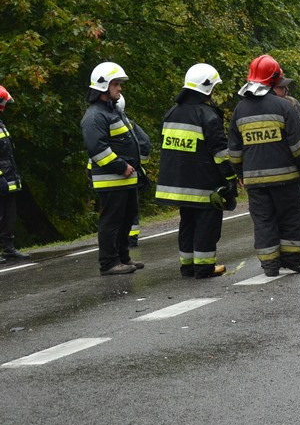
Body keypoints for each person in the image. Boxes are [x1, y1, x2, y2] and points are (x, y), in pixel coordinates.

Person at [229, 54, 300, 277]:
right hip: (286, 178)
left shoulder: (240, 110)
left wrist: (240, 173)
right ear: (274, 79)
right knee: (291, 218)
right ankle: (292, 260)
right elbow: (298, 144)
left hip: (255, 180)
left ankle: (269, 265)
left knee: (263, 221)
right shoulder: (283, 106)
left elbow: (235, 149)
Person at [155, 63, 236, 279]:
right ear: (207, 89)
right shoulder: (207, 116)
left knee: (187, 222)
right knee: (207, 224)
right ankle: (204, 267)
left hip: (177, 184)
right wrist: (230, 178)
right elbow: (220, 154)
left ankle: (187, 266)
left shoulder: (171, 112)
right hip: (204, 185)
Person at [80, 62, 144, 276]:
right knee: (111, 221)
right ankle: (108, 263)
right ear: (102, 86)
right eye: (115, 84)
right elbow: (96, 148)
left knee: (127, 219)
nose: (119, 88)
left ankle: (123, 258)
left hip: (125, 178)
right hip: (111, 178)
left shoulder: (112, 111)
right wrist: (121, 166)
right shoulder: (94, 116)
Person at [273, 75, 300, 267]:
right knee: (272, 214)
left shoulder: (293, 104)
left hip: (293, 168)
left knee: (297, 212)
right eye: (282, 88)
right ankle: (277, 255)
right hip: (270, 170)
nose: (286, 91)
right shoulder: (258, 106)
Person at [115, 94, 151, 248]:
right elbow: (144, 143)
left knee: (116, 209)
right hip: (129, 172)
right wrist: (138, 165)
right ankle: (130, 238)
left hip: (114, 174)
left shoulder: (104, 123)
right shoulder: (129, 125)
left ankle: (120, 241)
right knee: (131, 208)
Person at [0, 86, 29, 263]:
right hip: (2, 178)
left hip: (8, 178)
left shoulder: (1, 124)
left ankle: (8, 248)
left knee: (9, 214)